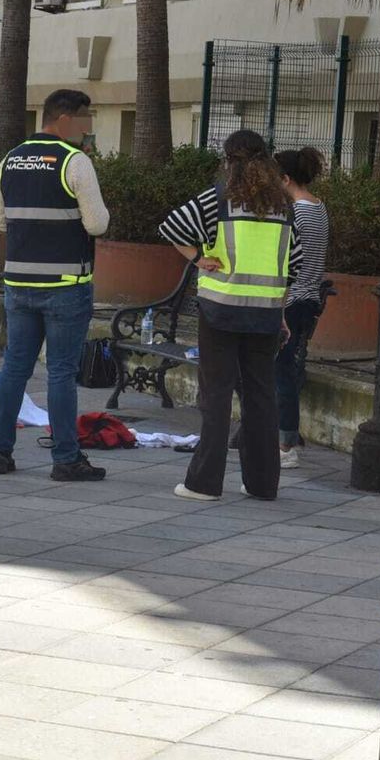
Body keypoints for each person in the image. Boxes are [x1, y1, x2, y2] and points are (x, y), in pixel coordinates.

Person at [160, 129, 302, 501]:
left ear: (228, 160)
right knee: (261, 396)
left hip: (221, 309)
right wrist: (282, 311)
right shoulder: (283, 207)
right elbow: (294, 265)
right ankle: (262, 484)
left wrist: (199, 259)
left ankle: (203, 483)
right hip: (266, 313)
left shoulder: (218, 198)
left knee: (217, 395)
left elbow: (171, 225)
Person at [0, 88, 111, 481]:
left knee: (14, 368)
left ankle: (0, 452)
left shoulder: (10, 159)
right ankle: (65, 459)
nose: (89, 128)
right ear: (65, 119)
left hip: (19, 283)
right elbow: (98, 224)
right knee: (60, 372)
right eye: (86, 119)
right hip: (65, 285)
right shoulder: (75, 162)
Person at [273, 147, 329, 468]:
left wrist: (278, 307)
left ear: (285, 178)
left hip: (292, 300)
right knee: (285, 370)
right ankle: (285, 437)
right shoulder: (317, 207)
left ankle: (286, 444)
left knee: (282, 372)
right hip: (307, 298)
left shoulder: (299, 212)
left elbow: (288, 262)